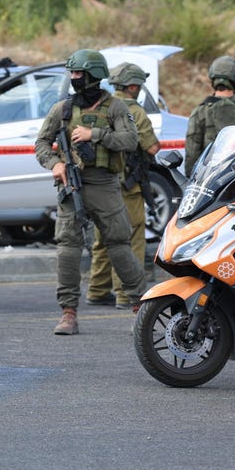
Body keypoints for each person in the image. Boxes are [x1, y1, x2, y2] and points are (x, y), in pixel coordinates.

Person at [34, 49, 146, 335]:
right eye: (71, 73)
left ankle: (141, 308)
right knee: (68, 249)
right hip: (72, 186)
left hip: (105, 185)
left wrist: (94, 135)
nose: (73, 78)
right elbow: (41, 144)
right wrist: (55, 163)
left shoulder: (116, 107)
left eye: (78, 73)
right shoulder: (63, 109)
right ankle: (68, 312)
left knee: (119, 244)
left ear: (93, 74)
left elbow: (131, 141)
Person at [86, 62, 160, 309]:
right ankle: (126, 293)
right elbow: (151, 147)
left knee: (103, 236)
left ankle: (97, 289)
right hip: (127, 187)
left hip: (101, 183)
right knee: (130, 237)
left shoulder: (99, 106)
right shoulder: (134, 111)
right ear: (132, 86)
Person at [183, 55, 235, 176]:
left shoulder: (200, 111)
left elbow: (192, 154)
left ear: (212, 78)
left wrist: (191, 179)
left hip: (209, 181)